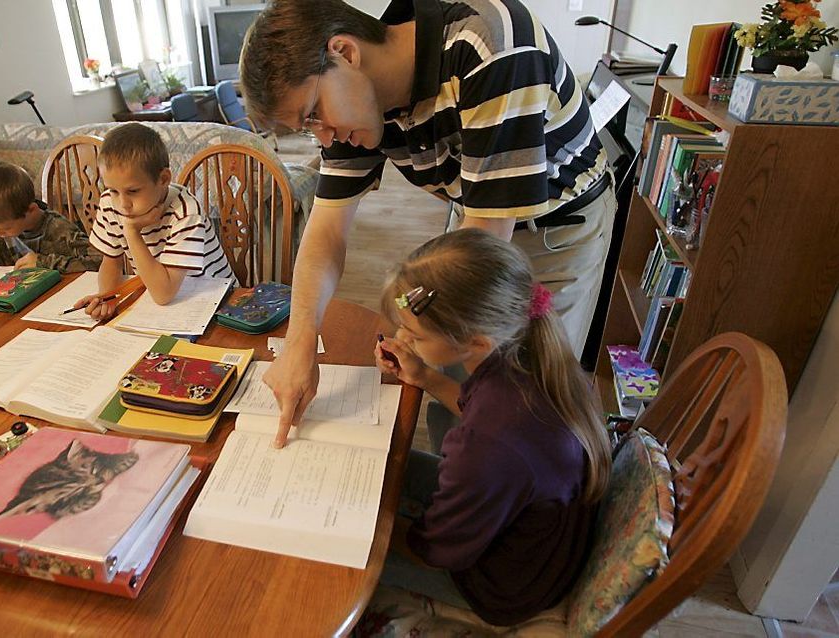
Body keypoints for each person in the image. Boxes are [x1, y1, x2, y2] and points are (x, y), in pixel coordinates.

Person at [240, 0, 616, 447]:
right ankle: (453, 484)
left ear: (344, 52)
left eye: (313, 114)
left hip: (556, 229)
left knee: (521, 409)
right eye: (307, 129)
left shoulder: (489, 46)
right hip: (476, 218)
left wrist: (414, 325)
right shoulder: (355, 104)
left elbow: (488, 240)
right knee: (451, 381)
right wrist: (300, 342)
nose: (323, 137)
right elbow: (326, 232)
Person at [373, 228, 611, 626]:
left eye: (414, 335)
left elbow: (437, 553)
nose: (401, 338)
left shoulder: (488, 445)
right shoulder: (528, 356)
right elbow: (481, 416)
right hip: (537, 535)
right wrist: (426, 377)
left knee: (339, 554)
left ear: (476, 343)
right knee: (382, 460)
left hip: (499, 586)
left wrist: (372, 529)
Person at [75, 123, 235, 321]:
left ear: (163, 179)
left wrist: (131, 231)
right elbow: (111, 262)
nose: (123, 204)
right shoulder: (110, 202)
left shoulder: (185, 212)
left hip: (217, 303)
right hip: (163, 301)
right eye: (113, 190)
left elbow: (163, 294)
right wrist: (108, 296)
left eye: (133, 191)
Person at [0, 160, 103, 275]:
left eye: (6, 229)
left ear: (31, 210)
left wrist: (43, 263)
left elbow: (100, 260)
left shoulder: (59, 229)